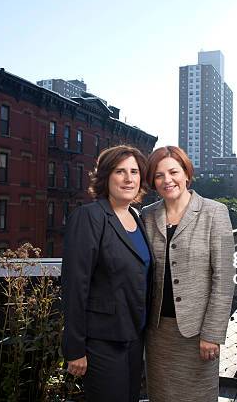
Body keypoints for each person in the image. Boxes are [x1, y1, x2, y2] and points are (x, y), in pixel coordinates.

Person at [142, 146, 235, 401]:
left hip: (197, 334)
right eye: (159, 175)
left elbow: (224, 278)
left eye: (173, 171)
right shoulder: (147, 215)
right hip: (158, 332)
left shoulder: (215, 212)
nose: (167, 180)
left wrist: (212, 334)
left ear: (186, 174)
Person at [61, 145, 153, 402]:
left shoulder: (138, 218)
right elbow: (74, 286)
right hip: (102, 341)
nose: (128, 178)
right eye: (119, 171)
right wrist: (75, 348)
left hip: (135, 337)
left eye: (134, 172)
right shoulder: (89, 216)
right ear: (105, 177)